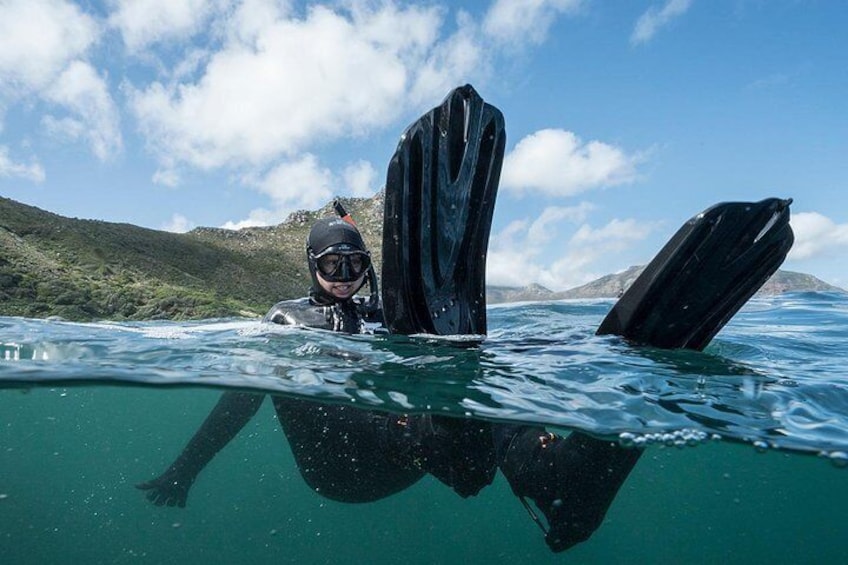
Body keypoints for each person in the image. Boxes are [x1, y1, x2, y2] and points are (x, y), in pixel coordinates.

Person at [137, 214, 640, 552]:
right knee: (295, 384)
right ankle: (450, 441)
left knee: (465, 372)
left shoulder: (390, 314)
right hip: (338, 471)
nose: (344, 275)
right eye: (331, 264)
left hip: (412, 457)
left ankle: (559, 484)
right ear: (313, 267)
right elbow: (238, 402)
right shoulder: (285, 320)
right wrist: (185, 469)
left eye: (354, 263)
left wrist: (565, 351)